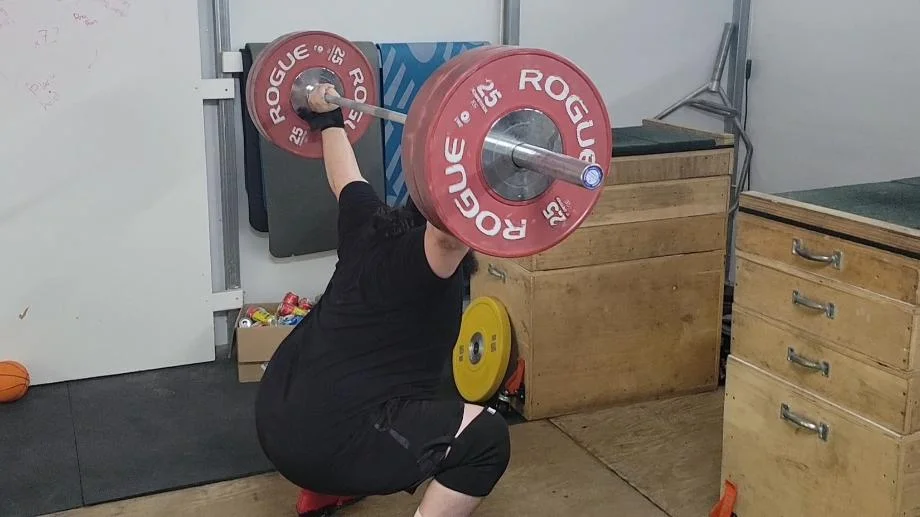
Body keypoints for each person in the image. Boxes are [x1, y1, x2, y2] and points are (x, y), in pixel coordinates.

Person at [254, 83, 512, 517]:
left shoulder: (368, 221)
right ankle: (330, 472)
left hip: (275, 413)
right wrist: (484, 168)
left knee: (365, 385)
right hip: (320, 442)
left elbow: (345, 177)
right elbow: (446, 238)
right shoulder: (425, 262)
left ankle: (322, 490)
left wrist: (327, 115)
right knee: (486, 439)